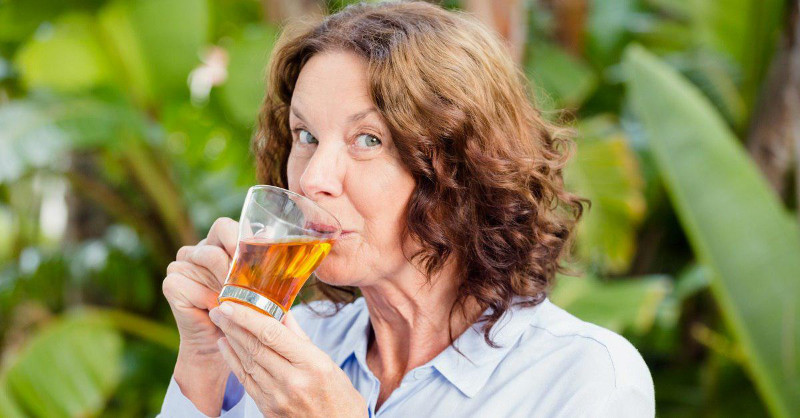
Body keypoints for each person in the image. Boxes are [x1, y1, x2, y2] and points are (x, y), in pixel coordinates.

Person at [158, 2, 655, 417]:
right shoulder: (287, 343)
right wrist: (203, 361)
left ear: (463, 169)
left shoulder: (585, 379)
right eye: (305, 135)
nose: (312, 179)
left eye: (368, 139)